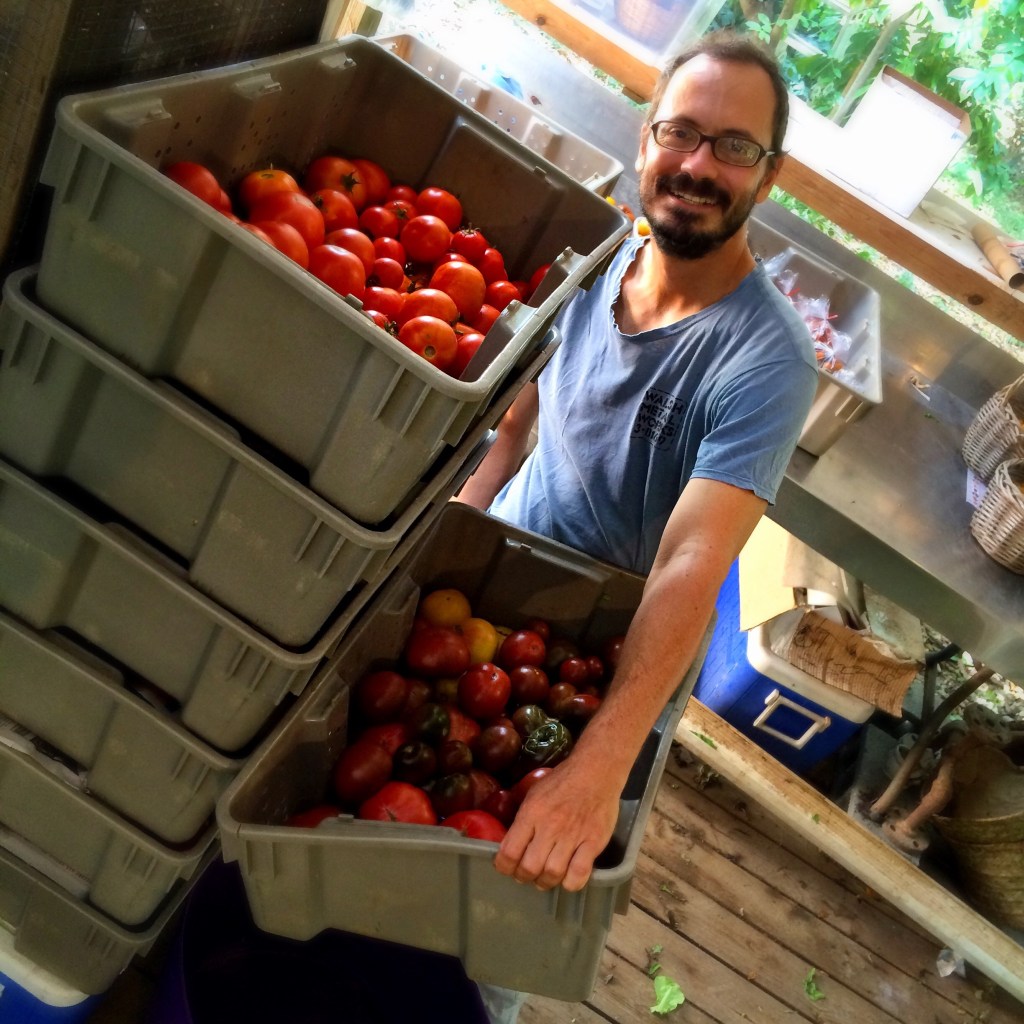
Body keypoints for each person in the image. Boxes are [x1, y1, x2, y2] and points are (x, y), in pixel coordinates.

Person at [458, 28, 817, 908]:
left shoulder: (767, 360)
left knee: (520, 893)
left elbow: (692, 565)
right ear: (646, 136)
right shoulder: (598, 255)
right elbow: (520, 420)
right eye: (681, 132)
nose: (698, 164)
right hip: (493, 587)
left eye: (734, 148)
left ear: (767, 177)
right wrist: (455, 531)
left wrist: (599, 764)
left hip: (601, 661)